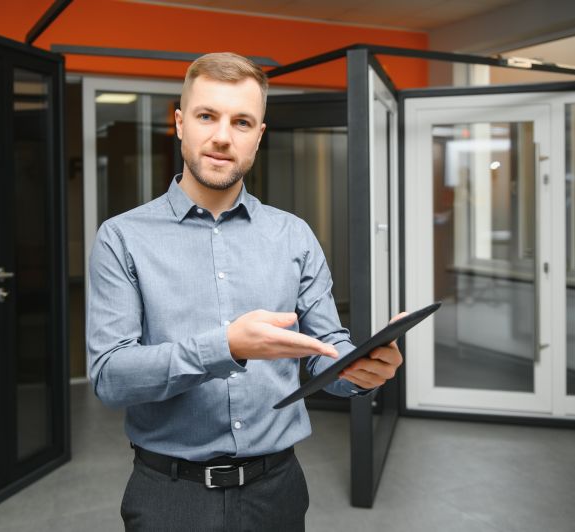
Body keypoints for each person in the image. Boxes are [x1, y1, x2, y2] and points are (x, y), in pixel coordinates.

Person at [87, 52, 404, 531]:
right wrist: (225, 347)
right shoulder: (122, 237)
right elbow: (111, 376)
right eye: (206, 116)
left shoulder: (292, 235)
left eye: (241, 122)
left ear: (258, 135)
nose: (221, 136)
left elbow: (323, 351)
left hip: (277, 490)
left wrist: (359, 369)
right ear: (179, 123)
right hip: (169, 497)